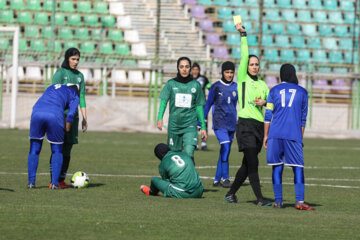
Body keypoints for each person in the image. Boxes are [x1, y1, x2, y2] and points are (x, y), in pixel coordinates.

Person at [225, 23, 271, 206]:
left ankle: (231, 194)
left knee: (247, 164)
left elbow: (272, 106)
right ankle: (260, 198)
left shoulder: (263, 85)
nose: (254, 66)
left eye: (256, 64)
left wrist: (266, 103)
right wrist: (243, 34)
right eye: (251, 64)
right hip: (245, 126)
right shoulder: (242, 79)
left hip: (259, 127)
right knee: (253, 164)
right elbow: (244, 54)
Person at [263, 64, 314, 210]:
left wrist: (266, 135)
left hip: (275, 134)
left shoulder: (273, 90)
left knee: (277, 167)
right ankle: (299, 201)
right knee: (298, 167)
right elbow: (303, 119)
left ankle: (278, 202)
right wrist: (300, 137)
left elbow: (268, 116)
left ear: (281, 75)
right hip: (293, 134)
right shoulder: (303, 92)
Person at [27, 84, 80, 189]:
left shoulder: (52, 87)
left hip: (37, 111)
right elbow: (70, 115)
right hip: (54, 114)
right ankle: (54, 184)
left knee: (34, 149)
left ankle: (31, 183)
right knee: (57, 150)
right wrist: (68, 131)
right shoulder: (75, 95)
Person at [157, 57, 207, 163]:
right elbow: (163, 102)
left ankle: (191, 178)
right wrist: (160, 118)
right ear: (178, 68)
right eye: (181, 67)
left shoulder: (196, 85)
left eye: (187, 67)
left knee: (189, 153)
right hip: (174, 125)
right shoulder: (170, 84)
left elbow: (199, 107)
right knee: (174, 156)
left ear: (190, 69)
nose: (184, 69)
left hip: (190, 125)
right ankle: (177, 179)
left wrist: (203, 126)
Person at [50, 47, 88, 189]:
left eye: (78, 59)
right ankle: (53, 180)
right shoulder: (60, 73)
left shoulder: (80, 76)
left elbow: (82, 97)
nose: (76, 62)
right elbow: (53, 94)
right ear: (67, 59)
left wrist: (84, 117)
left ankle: (60, 180)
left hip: (73, 117)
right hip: (60, 116)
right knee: (58, 148)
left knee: (68, 148)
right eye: (73, 59)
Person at [204, 61, 237, 188]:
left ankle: (216, 180)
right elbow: (208, 105)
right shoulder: (216, 86)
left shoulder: (236, 87)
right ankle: (226, 178)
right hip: (219, 124)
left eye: (231, 72)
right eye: (227, 72)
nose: (229, 75)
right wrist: (201, 122)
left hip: (231, 124)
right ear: (222, 72)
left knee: (225, 151)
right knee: (226, 148)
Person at [192, 62, 211, 151]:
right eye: (194, 69)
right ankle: (195, 143)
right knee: (193, 125)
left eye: (197, 69)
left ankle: (204, 144)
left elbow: (209, 87)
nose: (195, 71)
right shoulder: (189, 79)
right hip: (192, 106)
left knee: (204, 124)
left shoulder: (203, 79)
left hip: (202, 105)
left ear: (199, 70)